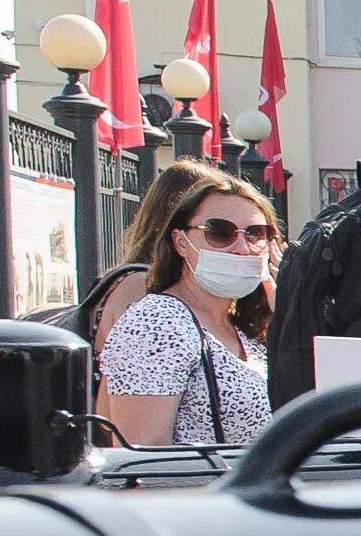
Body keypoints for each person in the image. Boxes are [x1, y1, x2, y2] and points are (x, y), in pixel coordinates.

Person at [96, 162, 283, 446]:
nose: (242, 247)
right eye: (219, 232)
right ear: (181, 243)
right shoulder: (157, 322)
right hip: (200, 490)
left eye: (256, 233)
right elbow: (146, 459)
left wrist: (287, 315)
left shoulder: (242, 328)